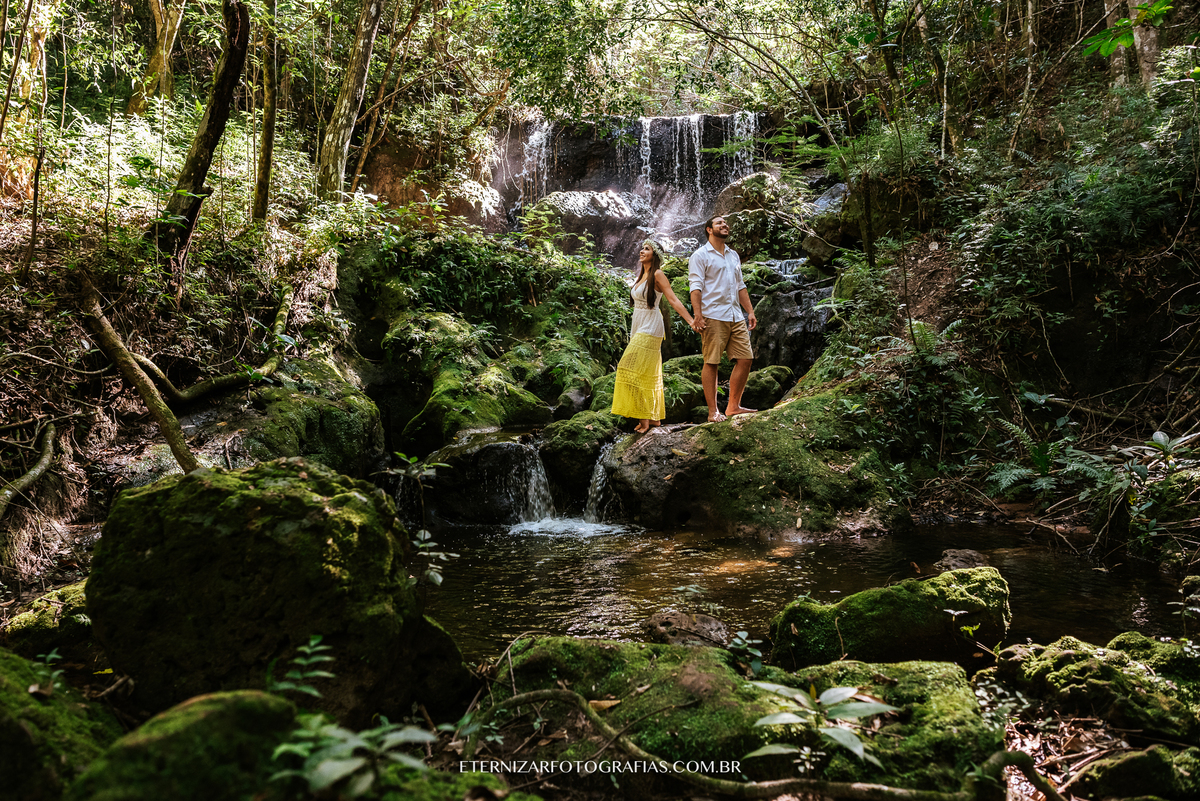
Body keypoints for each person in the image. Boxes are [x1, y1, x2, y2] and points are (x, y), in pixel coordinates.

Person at [611, 240, 696, 434]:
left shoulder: (658, 274)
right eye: (642, 248)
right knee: (648, 371)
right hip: (639, 324)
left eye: (647, 249)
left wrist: (691, 321)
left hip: (651, 326)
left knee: (629, 366)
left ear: (655, 255)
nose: (641, 251)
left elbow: (673, 299)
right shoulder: (641, 274)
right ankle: (654, 418)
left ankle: (644, 420)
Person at [688, 215, 757, 422]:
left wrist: (750, 311)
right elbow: (695, 287)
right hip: (713, 315)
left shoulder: (733, 255)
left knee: (746, 358)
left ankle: (733, 406)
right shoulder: (700, 256)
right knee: (712, 362)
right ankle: (713, 412)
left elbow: (740, 286)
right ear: (709, 229)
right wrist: (697, 315)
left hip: (735, 314)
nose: (725, 225)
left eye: (725, 223)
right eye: (719, 223)